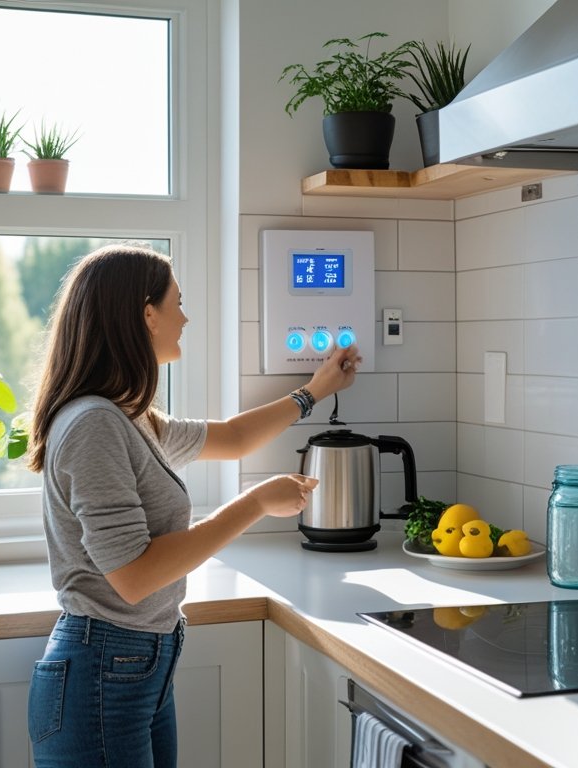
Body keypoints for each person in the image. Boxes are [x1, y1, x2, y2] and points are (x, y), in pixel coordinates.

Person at [25, 243, 360, 768]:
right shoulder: (93, 424)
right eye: (177, 302)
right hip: (102, 676)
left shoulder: (129, 416)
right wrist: (253, 504)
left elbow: (231, 437)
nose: (185, 317)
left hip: (137, 668)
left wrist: (313, 391)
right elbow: (133, 575)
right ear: (146, 314)